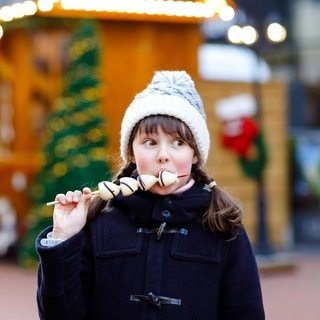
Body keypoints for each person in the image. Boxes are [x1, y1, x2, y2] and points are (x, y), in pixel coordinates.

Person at [36, 70, 265, 320]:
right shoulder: (99, 223)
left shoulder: (224, 227)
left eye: (178, 142)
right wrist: (63, 238)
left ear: (195, 154)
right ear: (132, 153)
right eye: (150, 142)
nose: (163, 155)